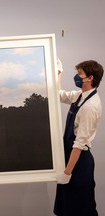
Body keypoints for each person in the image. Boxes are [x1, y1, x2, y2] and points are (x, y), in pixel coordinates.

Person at [54, 59, 104, 216]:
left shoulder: (91, 106)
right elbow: (59, 96)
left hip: (79, 162)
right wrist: (58, 73)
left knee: (80, 209)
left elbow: (79, 144)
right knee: (67, 208)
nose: (76, 76)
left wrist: (67, 172)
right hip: (70, 158)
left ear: (90, 78)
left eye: (79, 74)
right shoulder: (79, 96)